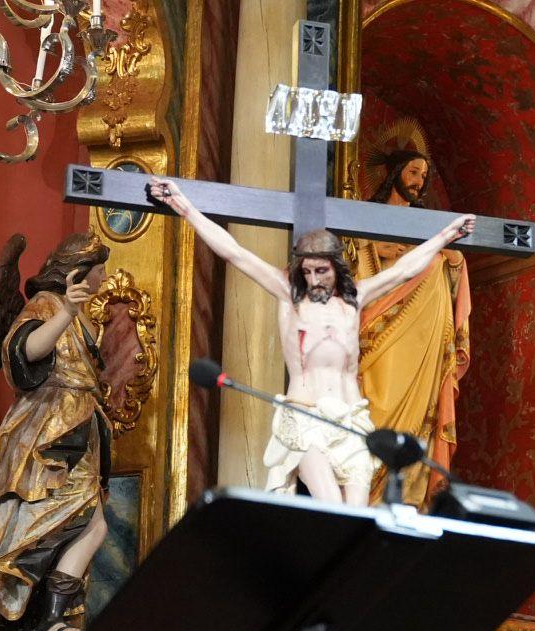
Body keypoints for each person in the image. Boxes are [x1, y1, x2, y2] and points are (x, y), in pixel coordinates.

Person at [149, 177, 474, 505]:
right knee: (332, 506)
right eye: (307, 272)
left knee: (359, 515)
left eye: (322, 271)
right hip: (305, 420)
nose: (314, 280)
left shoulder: (355, 298)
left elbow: (403, 270)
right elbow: (234, 253)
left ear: (337, 266)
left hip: (352, 420)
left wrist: (447, 234)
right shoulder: (289, 295)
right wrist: (183, 206)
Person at [0, 233, 112, 631]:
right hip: (49, 433)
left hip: (79, 431)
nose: (104, 277)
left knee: (90, 527)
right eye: (99, 270)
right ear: (78, 272)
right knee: (60, 523)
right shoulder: (46, 305)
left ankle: (52, 618)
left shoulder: (82, 313)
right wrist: (67, 313)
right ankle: (49, 620)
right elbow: (25, 352)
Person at [352, 149, 471, 506]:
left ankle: (410, 498)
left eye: (423, 175)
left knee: (419, 415)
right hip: (380, 333)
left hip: (424, 342)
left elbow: (453, 266)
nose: (419, 181)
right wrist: (378, 248)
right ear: (394, 174)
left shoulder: (427, 224)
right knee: (378, 404)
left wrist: (452, 257)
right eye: (413, 172)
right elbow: (352, 260)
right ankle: (366, 493)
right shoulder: (366, 215)